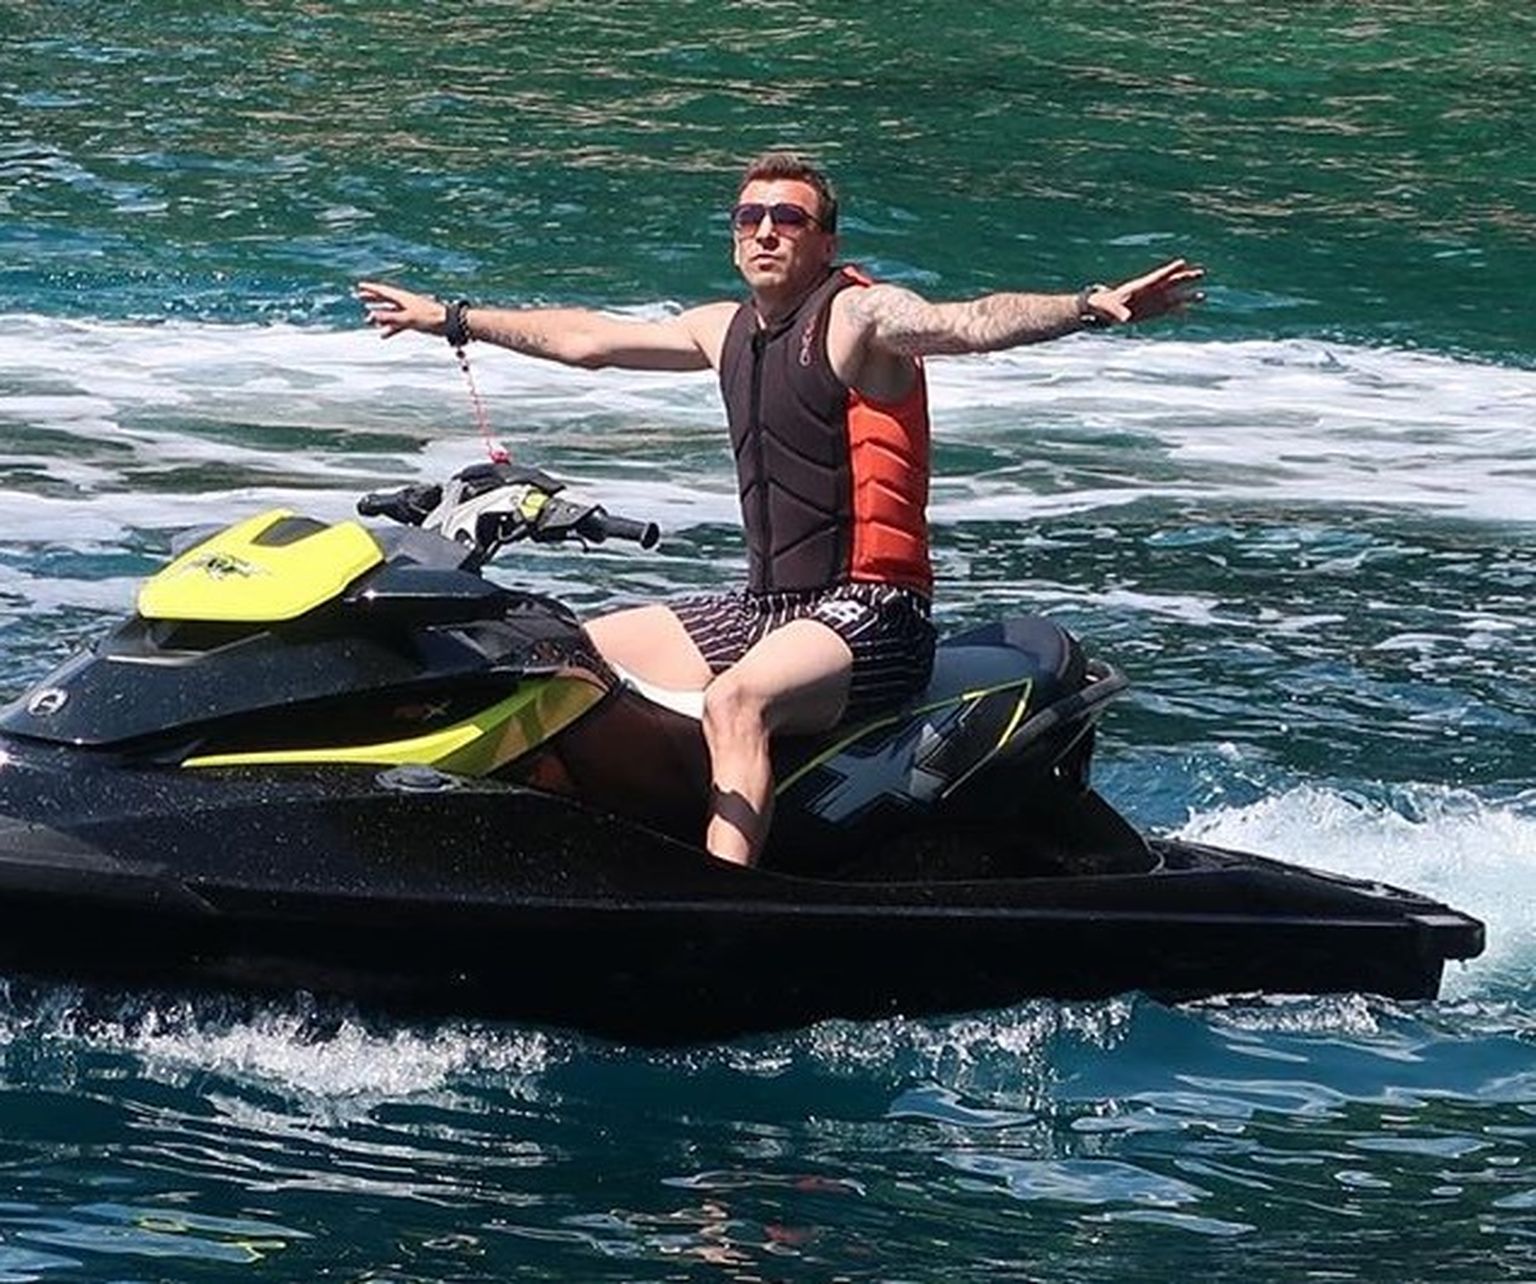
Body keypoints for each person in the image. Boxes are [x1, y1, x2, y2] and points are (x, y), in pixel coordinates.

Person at [357, 152, 1203, 868]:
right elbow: (588, 340)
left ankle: (722, 903)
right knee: (554, 658)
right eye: (749, 217)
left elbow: (963, 324)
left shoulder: (859, 317)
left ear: (825, 241)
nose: (765, 230)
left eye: (788, 218)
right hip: (769, 607)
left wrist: (1086, 308)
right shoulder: (722, 329)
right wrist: (451, 319)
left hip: (876, 613)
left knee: (738, 702)